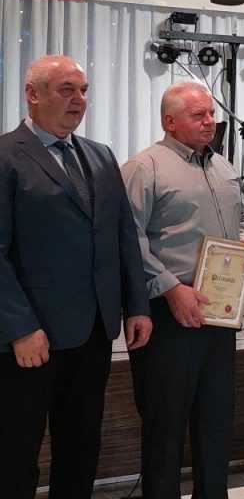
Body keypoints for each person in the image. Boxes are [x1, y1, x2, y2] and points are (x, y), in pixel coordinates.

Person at [0, 55, 151, 499]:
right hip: (30, 340)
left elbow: (123, 235)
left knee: (81, 448)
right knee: (15, 455)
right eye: (67, 89)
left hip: (93, 333)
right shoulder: (5, 157)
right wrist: (20, 327)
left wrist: (137, 305)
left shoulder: (100, 156)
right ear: (33, 95)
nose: (79, 100)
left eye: (83, 90)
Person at [121, 80, 244, 499]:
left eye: (211, 114)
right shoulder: (144, 167)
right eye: (198, 115)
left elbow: (242, 219)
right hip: (169, 313)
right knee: (165, 425)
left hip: (220, 310)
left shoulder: (224, 167)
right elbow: (128, 238)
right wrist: (169, 288)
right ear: (170, 121)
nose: (210, 121)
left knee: (216, 419)